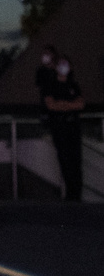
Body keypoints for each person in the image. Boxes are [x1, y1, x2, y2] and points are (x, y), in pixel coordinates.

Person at [42, 55, 85, 202]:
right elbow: (51, 105)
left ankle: (76, 195)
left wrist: (63, 105)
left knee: (76, 161)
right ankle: (70, 195)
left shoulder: (73, 85)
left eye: (66, 63)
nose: (63, 66)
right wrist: (68, 105)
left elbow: (80, 104)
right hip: (59, 127)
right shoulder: (51, 85)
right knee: (65, 160)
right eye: (60, 63)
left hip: (74, 126)